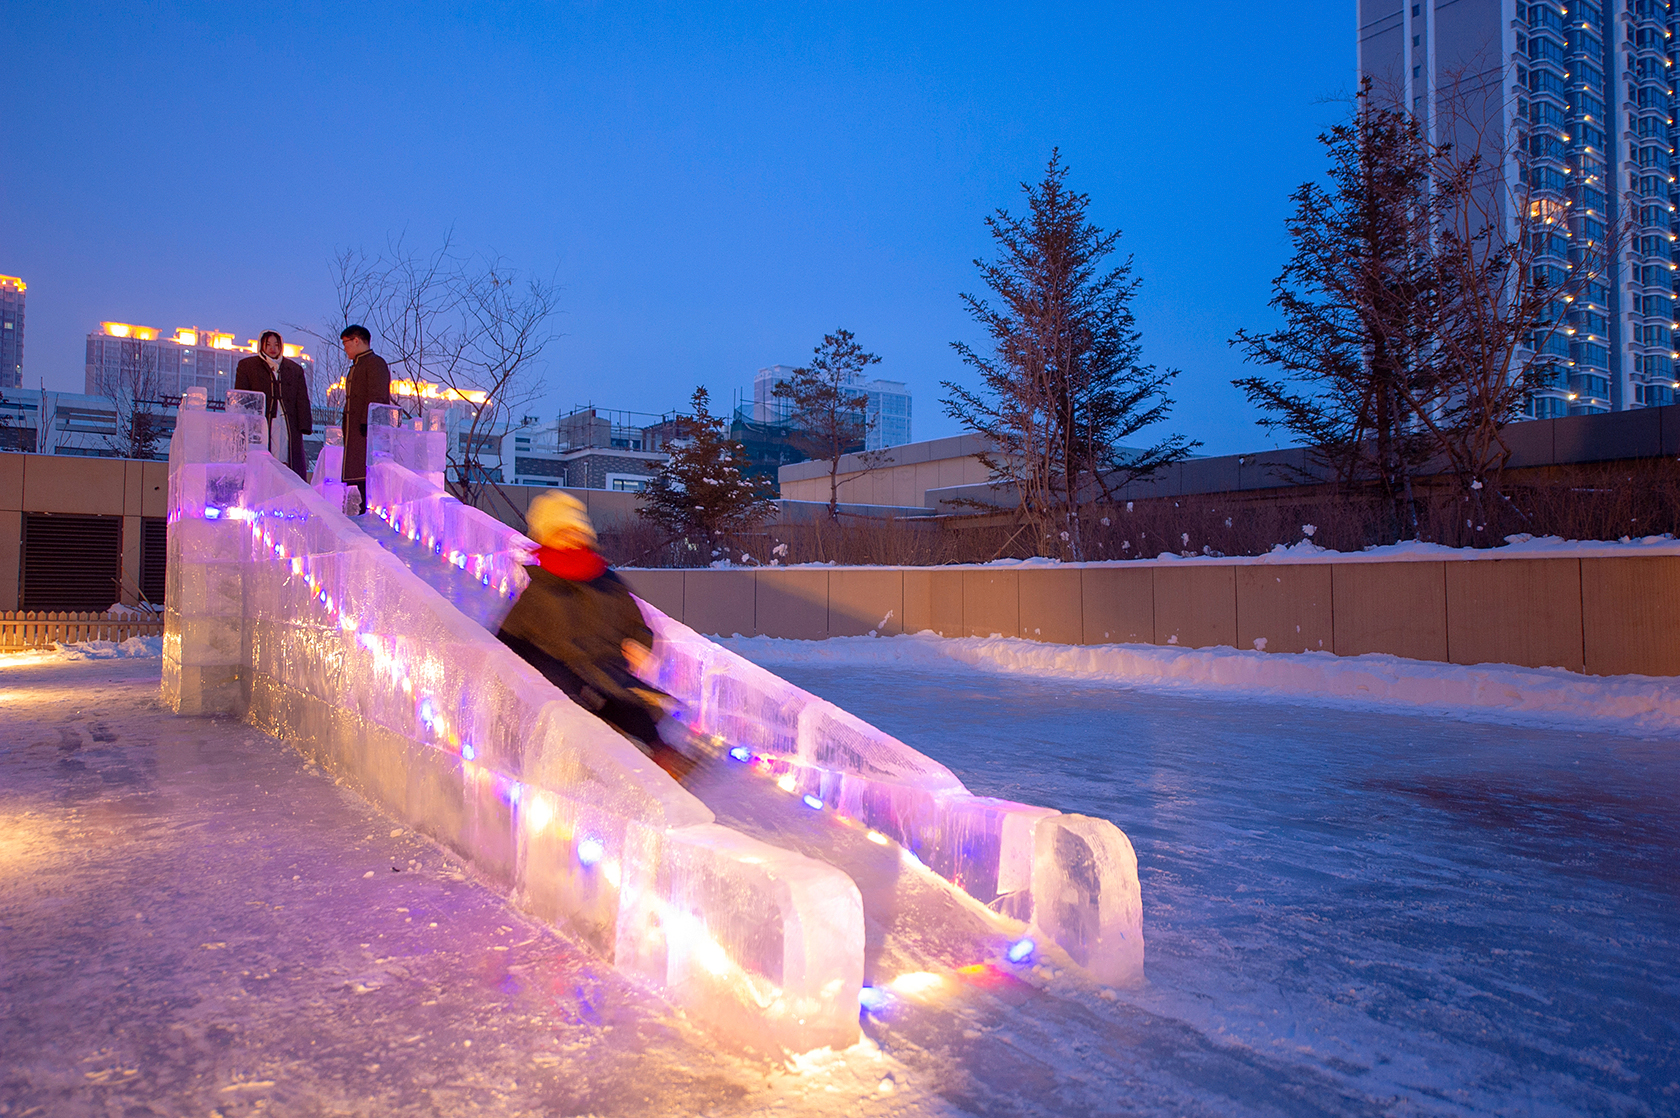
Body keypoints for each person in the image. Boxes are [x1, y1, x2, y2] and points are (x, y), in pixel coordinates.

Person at [496, 491, 695, 781]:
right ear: (547, 537)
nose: (570, 538)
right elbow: (509, 639)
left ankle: (661, 756)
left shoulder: (607, 580)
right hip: (566, 677)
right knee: (588, 698)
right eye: (561, 532)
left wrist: (638, 643)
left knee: (627, 702)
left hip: (610, 669)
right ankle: (612, 764)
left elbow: (635, 622)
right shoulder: (539, 589)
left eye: (575, 530)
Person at [234, 331, 313, 478]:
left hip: (288, 422)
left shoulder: (294, 369)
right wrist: (242, 423)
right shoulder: (248, 366)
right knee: (264, 456)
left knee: (287, 456)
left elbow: (302, 398)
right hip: (261, 423)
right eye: (268, 344)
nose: (272, 348)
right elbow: (242, 397)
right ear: (261, 345)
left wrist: (305, 424)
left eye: (276, 345)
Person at [339, 324, 392, 507]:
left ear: (357, 340)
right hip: (355, 431)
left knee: (363, 476)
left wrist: (366, 422)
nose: (345, 348)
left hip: (366, 433)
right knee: (354, 476)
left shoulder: (375, 363)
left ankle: (363, 513)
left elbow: (377, 396)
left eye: (346, 343)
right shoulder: (357, 365)